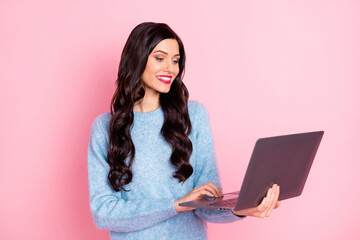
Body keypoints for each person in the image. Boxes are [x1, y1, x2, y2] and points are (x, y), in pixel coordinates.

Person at [88, 22, 280, 240]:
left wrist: (241, 209)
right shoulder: (105, 128)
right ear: (137, 60)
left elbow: (206, 202)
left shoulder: (194, 116)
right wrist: (177, 204)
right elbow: (104, 213)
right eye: (160, 58)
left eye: (176, 60)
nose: (170, 68)